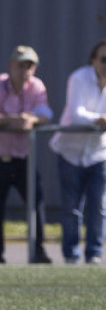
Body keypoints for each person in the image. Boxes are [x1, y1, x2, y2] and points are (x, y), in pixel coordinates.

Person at [49, 38, 106, 265]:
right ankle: (71, 257)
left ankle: (94, 256)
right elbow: (78, 113)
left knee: (99, 207)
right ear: (93, 60)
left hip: (102, 153)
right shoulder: (78, 78)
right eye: (104, 59)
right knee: (72, 209)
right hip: (70, 152)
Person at [0, 45, 53, 264]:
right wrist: (12, 120)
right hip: (1, 158)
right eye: (20, 65)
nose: (24, 70)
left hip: (23, 158)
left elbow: (45, 114)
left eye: (29, 65)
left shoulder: (37, 86)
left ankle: (37, 251)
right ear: (11, 65)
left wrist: (31, 120)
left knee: (36, 203)